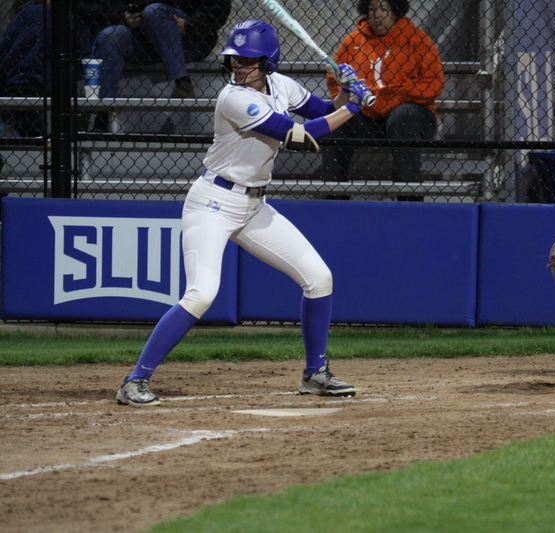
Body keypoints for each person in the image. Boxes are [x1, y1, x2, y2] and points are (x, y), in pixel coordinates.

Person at [115, 20, 373, 406]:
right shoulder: (232, 98)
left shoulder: (282, 85)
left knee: (319, 278)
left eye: (248, 60)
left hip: (254, 206)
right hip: (213, 203)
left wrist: (345, 91)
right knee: (202, 295)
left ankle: (315, 374)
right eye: (235, 59)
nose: (239, 67)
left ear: (267, 61)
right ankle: (135, 380)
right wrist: (354, 106)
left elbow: (322, 110)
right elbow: (299, 137)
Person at [320, 0, 444, 201]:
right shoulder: (354, 41)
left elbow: (434, 84)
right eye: (372, 9)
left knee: (404, 116)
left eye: (384, 9)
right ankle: (334, 199)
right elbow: (335, 78)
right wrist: (350, 97)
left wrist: (396, 92)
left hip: (408, 116)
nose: (377, 15)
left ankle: (409, 200)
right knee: (335, 122)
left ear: (396, 11)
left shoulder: (416, 39)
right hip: (366, 115)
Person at [0, 0, 105, 136]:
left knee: (45, 19)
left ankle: (25, 92)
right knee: (37, 15)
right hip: (35, 18)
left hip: (82, 21)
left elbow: (103, 7)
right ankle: (27, 92)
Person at [93, 1, 231, 101]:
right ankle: (103, 112)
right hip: (143, 40)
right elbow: (108, 8)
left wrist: (191, 26)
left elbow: (218, 8)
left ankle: (182, 82)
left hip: (188, 39)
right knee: (109, 36)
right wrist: (125, 16)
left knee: (153, 12)